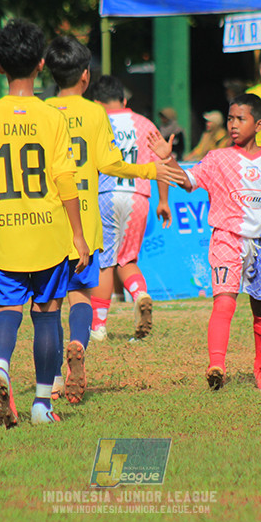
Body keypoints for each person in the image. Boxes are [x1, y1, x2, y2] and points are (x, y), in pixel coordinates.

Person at [0, 19, 90, 427]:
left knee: (7, 310)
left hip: (6, 234)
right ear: (41, 64)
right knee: (49, 313)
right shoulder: (52, 116)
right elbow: (64, 179)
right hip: (49, 235)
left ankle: (0, 367)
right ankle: (41, 404)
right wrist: (77, 234)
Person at [42, 37, 174, 405]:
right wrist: (153, 171)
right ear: (85, 76)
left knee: (49, 301)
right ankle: (89, 334)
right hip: (104, 205)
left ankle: (52, 376)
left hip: (55, 214)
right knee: (100, 277)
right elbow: (112, 163)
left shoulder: (42, 110)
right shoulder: (105, 116)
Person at [177, 93, 261, 391]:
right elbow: (189, 180)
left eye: (240, 119)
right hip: (227, 239)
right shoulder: (218, 158)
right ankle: (216, 364)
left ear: (258, 124)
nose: (233, 124)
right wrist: (167, 160)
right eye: (230, 118)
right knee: (223, 302)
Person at [89, 75, 174, 344]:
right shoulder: (145, 124)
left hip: (105, 195)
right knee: (127, 260)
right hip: (138, 196)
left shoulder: (96, 122)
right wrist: (163, 201)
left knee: (104, 263)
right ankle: (139, 295)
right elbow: (163, 162)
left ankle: (99, 326)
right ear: (124, 100)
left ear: (95, 102)